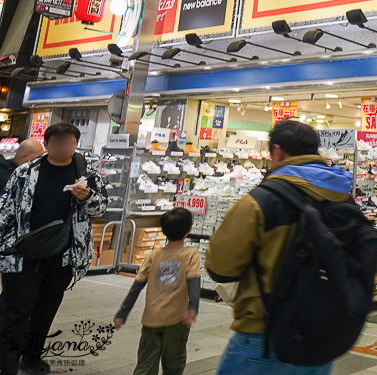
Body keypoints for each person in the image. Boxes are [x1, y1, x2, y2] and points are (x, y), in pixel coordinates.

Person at [205, 119, 354, 375]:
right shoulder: (343, 197)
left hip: (265, 335)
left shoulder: (260, 201)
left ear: (277, 151)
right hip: (321, 336)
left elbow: (220, 267)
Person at [0, 123, 108, 375]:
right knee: (16, 311)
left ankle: (32, 358)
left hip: (63, 255)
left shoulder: (88, 176)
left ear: (75, 144)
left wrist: (87, 197)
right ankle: (6, 365)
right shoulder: (25, 172)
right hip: (23, 253)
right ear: (47, 145)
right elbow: (5, 209)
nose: (62, 147)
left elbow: (100, 209)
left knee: (46, 310)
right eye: (56, 142)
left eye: (68, 142)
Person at [113, 208, 200, 375]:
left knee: (145, 364)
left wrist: (122, 313)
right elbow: (194, 282)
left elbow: (136, 286)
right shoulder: (190, 256)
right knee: (174, 364)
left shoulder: (154, 255)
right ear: (188, 230)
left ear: (163, 230)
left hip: (151, 319)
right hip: (177, 320)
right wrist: (192, 309)